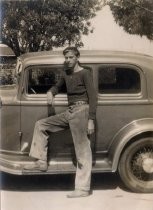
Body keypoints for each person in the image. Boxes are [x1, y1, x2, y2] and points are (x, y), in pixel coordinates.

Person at [24, 47, 97, 198]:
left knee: (83, 150)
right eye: (66, 58)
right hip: (70, 112)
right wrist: (51, 92)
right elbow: (57, 87)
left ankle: (83, 189)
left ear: (77, 57)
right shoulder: (66, 74)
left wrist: (91, 119)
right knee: (41, 125)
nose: (68, 60)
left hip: (81, 110)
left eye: (71, 57)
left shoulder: (85, 73)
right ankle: (41, 161)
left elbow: (93, 97)